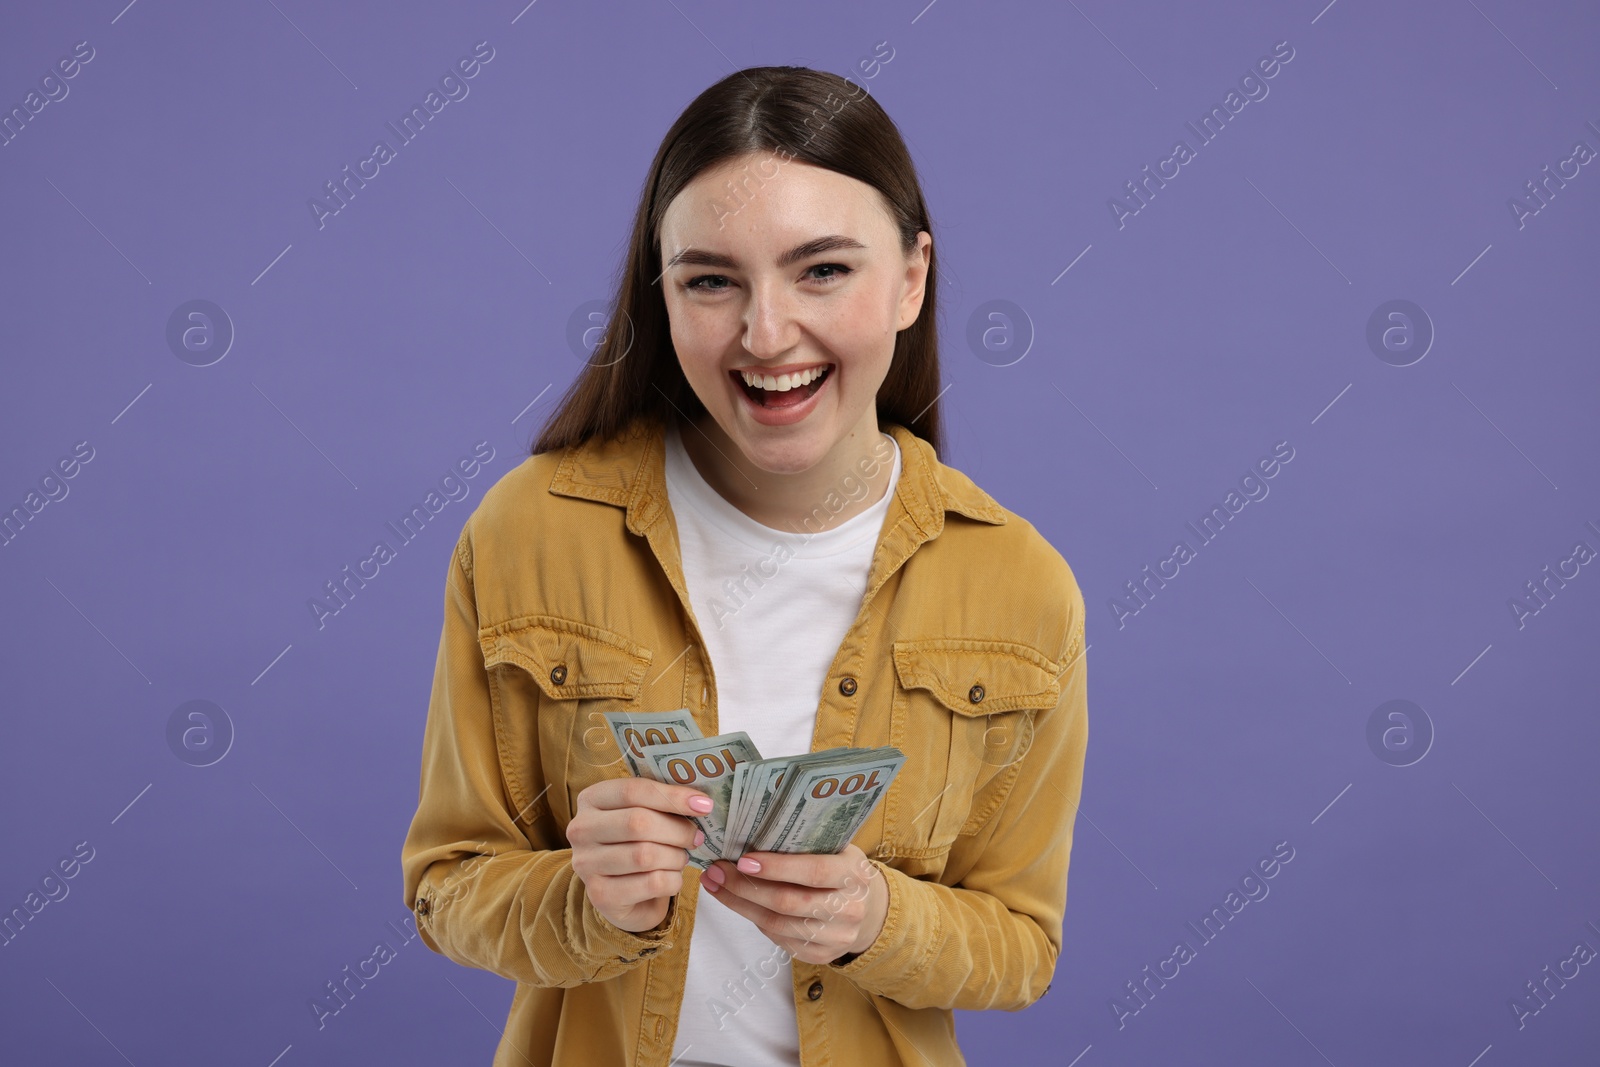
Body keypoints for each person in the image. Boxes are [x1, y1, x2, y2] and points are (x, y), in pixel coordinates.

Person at [401, 65, 1088, 1067]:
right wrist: (578, 896)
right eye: (711, 280)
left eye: (821, 270)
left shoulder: (1020, 586)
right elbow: (446, 885)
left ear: (909, 279)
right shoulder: (527, 531)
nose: (766, 335)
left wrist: (877, 917)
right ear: (662, 293)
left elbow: (1022, 946)